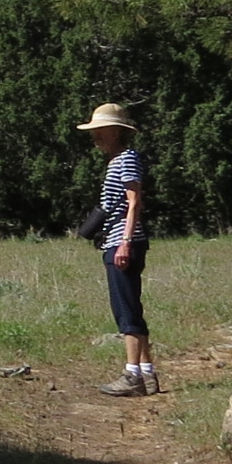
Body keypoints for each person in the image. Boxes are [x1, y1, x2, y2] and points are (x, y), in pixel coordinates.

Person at [82, 103, 157, 396]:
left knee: (126, 311)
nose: (96, 136)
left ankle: (132, 376)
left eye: (101, 130)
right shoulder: (120, 160)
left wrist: (124, 242)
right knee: (131, 306)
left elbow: (134, 201)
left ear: (116, 131)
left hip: (122, 242)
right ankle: (147, 373)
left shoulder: (126, 159)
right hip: (120, 240)